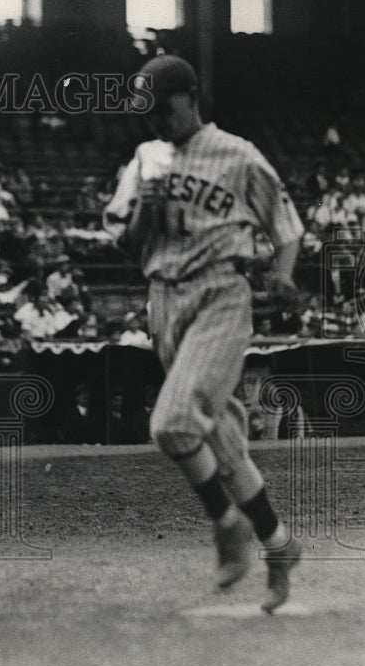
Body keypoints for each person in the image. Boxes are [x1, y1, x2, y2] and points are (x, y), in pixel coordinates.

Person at [103, 55, 304, 613]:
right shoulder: (146, 157)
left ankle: (226, 525)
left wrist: (283, 276)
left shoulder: (238, 155)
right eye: (147, 115)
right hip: (163, 298)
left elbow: (286, 227)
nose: (155, 123)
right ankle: (279, 544)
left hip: (221, 293)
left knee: (173, 424)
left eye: (163, 110)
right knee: (219, 438)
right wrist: (147, 201)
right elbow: (126, 244)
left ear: (191, 98)